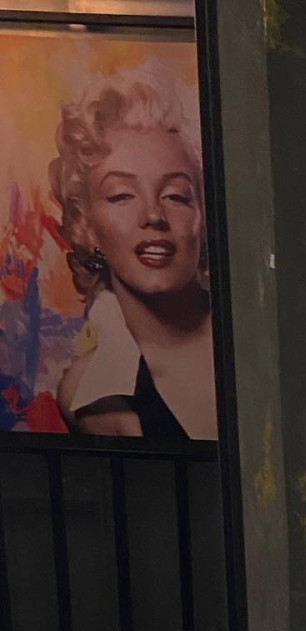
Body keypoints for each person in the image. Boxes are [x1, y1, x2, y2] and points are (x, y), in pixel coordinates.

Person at [49, 66, 216, 440]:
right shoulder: (92, 396)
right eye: (121, 195)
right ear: (86, 224)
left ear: (204, 216)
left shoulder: (260, 337)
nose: (154, 215)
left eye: (176, 196)